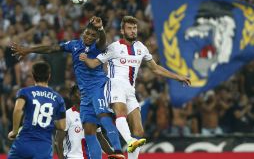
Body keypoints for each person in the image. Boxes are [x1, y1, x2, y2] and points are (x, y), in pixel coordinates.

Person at [11, 16, 124, 159]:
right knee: (90, 131)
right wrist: (29, 50)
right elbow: (52, 48)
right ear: (83, 33)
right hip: (85, 94)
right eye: (87, 33)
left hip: (99, 88)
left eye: (93, 35)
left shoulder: (98, 48)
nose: (89, 37)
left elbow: (102, 40)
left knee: (103, 116)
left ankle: (119, 151)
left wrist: (101, 29)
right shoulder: (74, 45)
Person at [79, 16, 191, 159]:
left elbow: (155, 68)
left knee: (139, 131)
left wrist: (178, 77)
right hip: (114, 84)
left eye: (134, 28)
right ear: (122, 30)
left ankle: (132, 148)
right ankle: (130, 141)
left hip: (130, 90)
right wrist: (84, 59)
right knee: (121, 113)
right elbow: (94, 63)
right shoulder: (114, 47)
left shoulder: (141, 48)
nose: (132, 31)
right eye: (129, 28)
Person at [7, 61, 66, 159]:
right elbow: (62, 126)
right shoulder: (58, 98)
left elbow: (18, 110)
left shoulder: (24, 92)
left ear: (33, 75)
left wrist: (14, 131)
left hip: (23, 143)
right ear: (49, 76)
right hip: (43, 147)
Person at [55, 85, 118, 159]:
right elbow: (58, 142)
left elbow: (100, 139)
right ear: (72, 97)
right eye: (80, 93)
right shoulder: (67, 115)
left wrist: (114, 154)